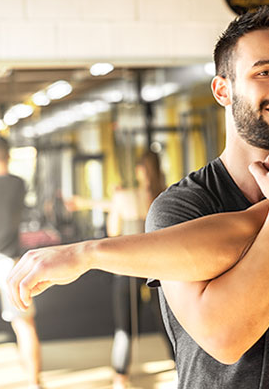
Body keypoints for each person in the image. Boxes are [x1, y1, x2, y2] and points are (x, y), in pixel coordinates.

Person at [8, 6, 269, 388]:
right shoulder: (178, 208)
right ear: (222, 90)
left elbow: (241, 231)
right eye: (265, 72)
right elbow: (225, 337)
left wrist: (90, 253)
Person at [67, 150, 170, 389]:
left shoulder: (126, 196)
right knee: (167, 322)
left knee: (124, 327)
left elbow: (113, 231)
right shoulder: (165, 194)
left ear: (141, 170)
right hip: (160, 266)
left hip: (128, 266)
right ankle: (181, 364)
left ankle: (120, 378)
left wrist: (112, 203)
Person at [0, 136, 42, 389]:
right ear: (8, 155)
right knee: (24, 324)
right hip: (11, 261)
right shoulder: (18, 183)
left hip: (5, 260)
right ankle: (34, 383)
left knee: (24, 325)